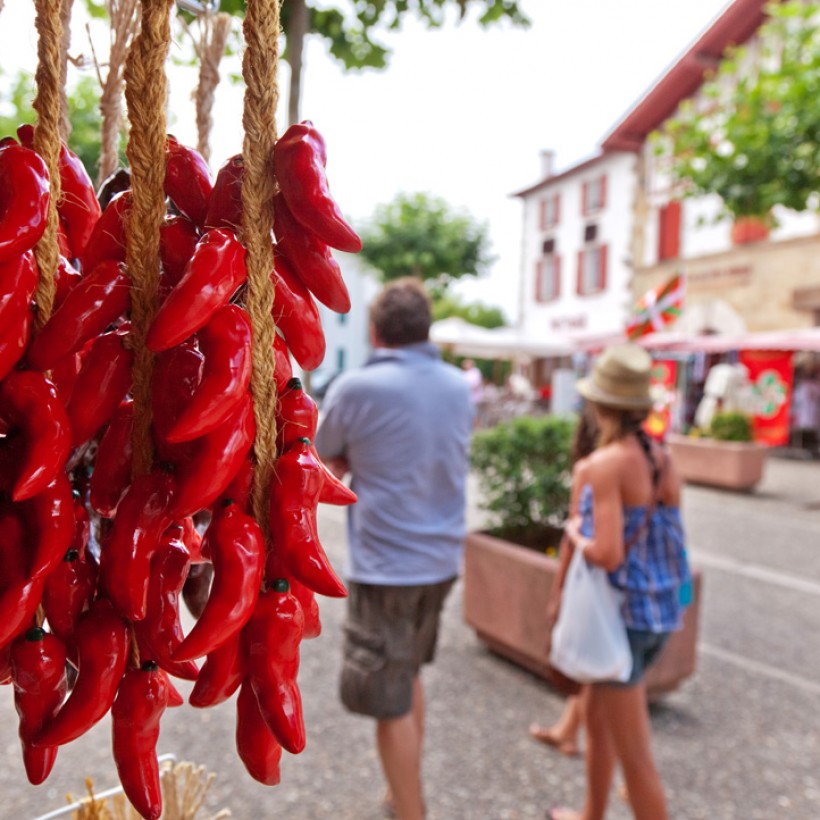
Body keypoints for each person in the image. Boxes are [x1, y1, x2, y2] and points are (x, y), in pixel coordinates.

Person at [314, 277, 475, 820]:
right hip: (442, 559)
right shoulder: (459, 386)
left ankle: (411, 810)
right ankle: (402, 792)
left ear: (375, 331)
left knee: (388, 700)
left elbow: (320, 459)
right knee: (407, 675)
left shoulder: (356, 388)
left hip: (387, 565)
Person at [549, 343, 691, 820]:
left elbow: (607, 554)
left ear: (599, 405)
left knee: (638, 761)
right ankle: (591, 814)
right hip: (657, 613)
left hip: (620, 618)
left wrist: (574, 533)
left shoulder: (602, 466)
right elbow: (668, 540)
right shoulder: (661, 459)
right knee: (597, 717)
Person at [529, 404, 599, 757]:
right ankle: (567, 730)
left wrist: (558, 594)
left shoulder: (593, 467)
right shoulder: (652, 458)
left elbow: (575, 535)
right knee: (600, 675)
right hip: (638, 587)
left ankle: (628, 775)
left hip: (598, 583)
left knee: (602, 678)